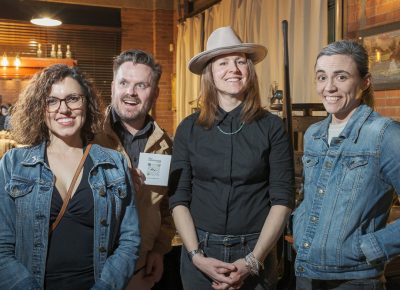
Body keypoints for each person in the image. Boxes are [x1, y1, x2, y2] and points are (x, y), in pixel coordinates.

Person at [168, 26, 295, 290]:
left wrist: (252, 261)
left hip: (255, 251)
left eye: (240, 61)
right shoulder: (188, 128)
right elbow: (178, 197)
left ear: (249, 69)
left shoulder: (272, 127)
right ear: (209, 74)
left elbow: (283, 199)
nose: (233, 69)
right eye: (223, 62)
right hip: (200, 250)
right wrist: (196, 257)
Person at [0, 64, 140, 290]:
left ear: (87, 104)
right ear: (39, 108)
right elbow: (1, 246)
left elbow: (129, 241)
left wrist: (105, 287)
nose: (63, 109)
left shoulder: (114, 163)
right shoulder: (13, 164)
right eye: (51, 101)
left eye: (73, 98)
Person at [293, 40, 400, 290]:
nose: (329, 87)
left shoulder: (384, 135)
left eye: (341, 77)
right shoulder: (314, 135)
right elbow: (311, 197)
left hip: (355, 280)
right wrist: (299, 227)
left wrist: (371, 247)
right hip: (306, 274)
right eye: (321, 77)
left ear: (365, 82)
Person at [94, 49, 177, 290]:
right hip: (93, 267)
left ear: (156, 93)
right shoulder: (89, 138)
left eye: (141, 85)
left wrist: (160, 250)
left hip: (142, 269)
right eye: (124, 83)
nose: (131, 92)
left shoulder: (166, 146)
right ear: (112, 87)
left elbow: (167, 205)